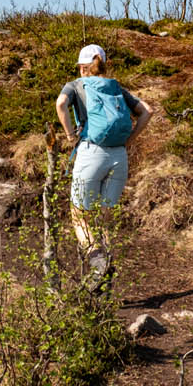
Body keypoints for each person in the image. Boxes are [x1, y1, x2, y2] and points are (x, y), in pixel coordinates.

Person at [53, 43, 152, 266]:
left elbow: (60, 104)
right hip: (119, 157)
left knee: (79, 215)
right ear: (103, 65)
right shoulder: (116, 87)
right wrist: (129, 140)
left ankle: (98, 264)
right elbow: (147, 111)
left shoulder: (76, 85)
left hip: (91, 153)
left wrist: (70, 135)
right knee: (103, 220)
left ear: (82, 67)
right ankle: (106, 266)